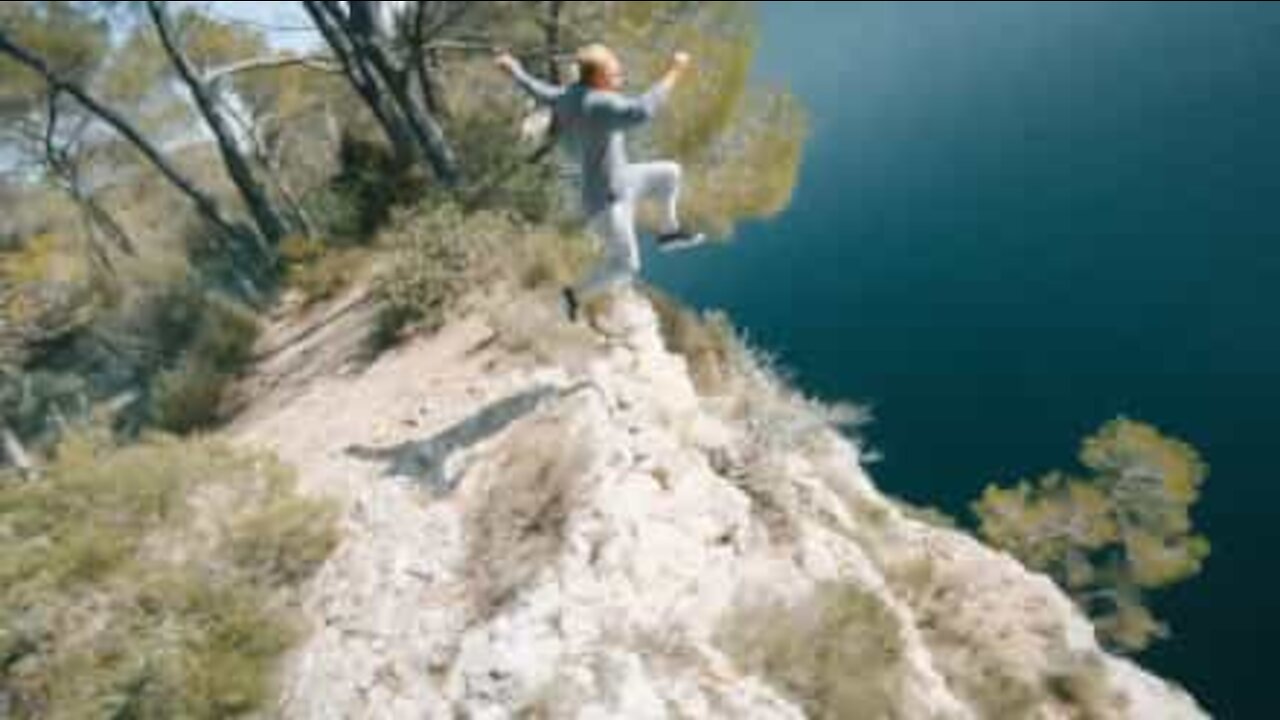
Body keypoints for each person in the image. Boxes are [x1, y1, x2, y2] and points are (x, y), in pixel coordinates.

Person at [496, 43, 705, 322]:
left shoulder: (567, 96)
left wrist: (514, 70)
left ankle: (669, 232)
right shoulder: (600, 103)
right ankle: (573, 296)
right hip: (607, 203)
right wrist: (676, 70)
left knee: (670, 172)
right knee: (626, 266)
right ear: (597, 76)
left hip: (624, 178)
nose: (620, 74)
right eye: (614, 72)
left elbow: (537, 88)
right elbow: (642, 111)